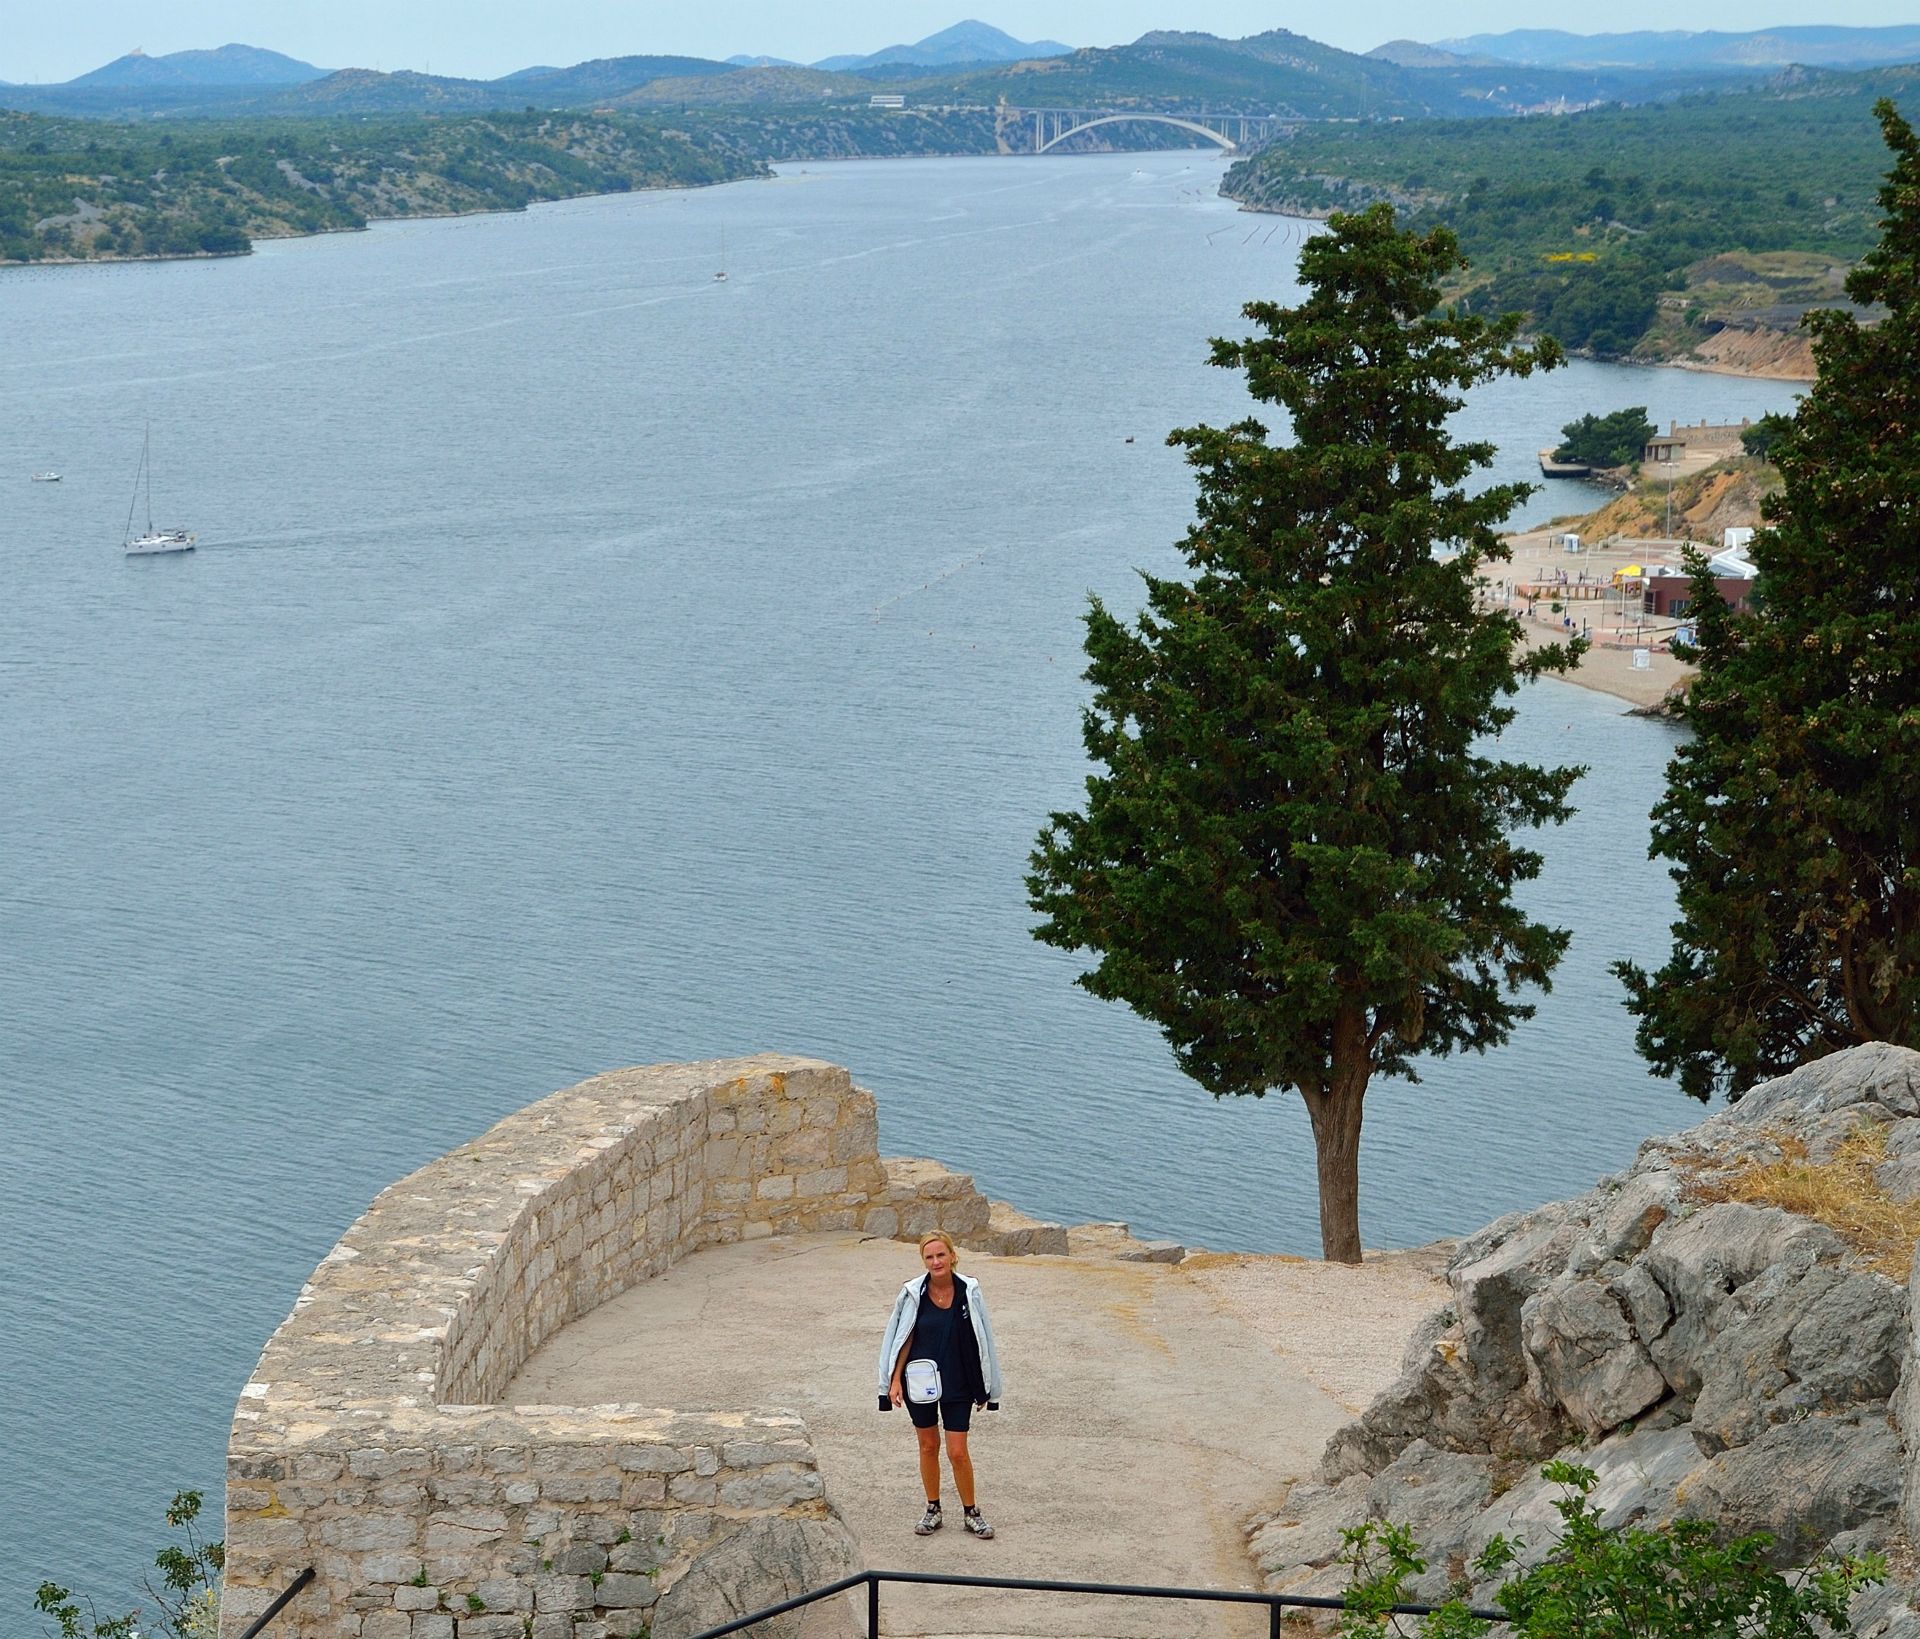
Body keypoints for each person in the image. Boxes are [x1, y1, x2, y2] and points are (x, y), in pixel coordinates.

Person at [875, 1231, 1002, 1539]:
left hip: (959, 1382)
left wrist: (987, 1385)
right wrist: (893, 1381)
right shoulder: (912, 1293)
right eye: (929, 1257)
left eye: (940, 1255)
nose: (935, 1261)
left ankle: (971, 1512)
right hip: (919, 1381)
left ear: (952, 1256)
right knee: (928, 1446)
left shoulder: (969, 1290)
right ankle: (933, 1509)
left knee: (958, 1452)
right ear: (924, 1261)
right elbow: (902, 1338)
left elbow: (984, 1338)